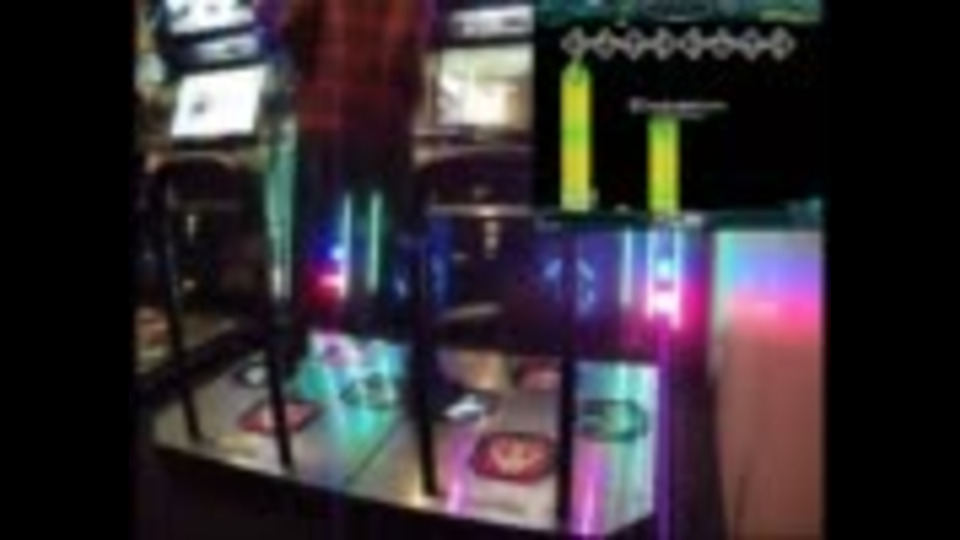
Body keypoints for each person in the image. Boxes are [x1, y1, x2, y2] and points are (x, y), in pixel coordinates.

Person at [274, 0, 483, 420]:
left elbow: (292, 24)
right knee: (409, 245)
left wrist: (314, 80)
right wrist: (407, 96)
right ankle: (423, 382)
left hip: (319, 120)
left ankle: (289, 355)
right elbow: (402, 44)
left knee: (308, 243)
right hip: (378, 116)